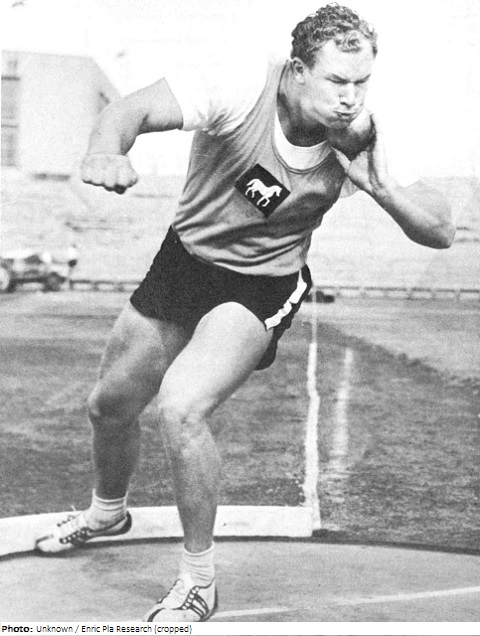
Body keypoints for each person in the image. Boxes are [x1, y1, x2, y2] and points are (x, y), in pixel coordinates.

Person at [35, 3, 455, 622]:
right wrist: (105, 151)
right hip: (184, 263)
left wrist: (383, 187)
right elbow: (129, 112)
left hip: (261, 284)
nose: (350, 98)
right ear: (296, 70)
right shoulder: (236, 84)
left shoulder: (359, 136)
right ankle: (107, 512)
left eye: (361, 82)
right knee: (109, 406)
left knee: (182, 408)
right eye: (336, 81)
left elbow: (441, 230)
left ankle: (199, 580)